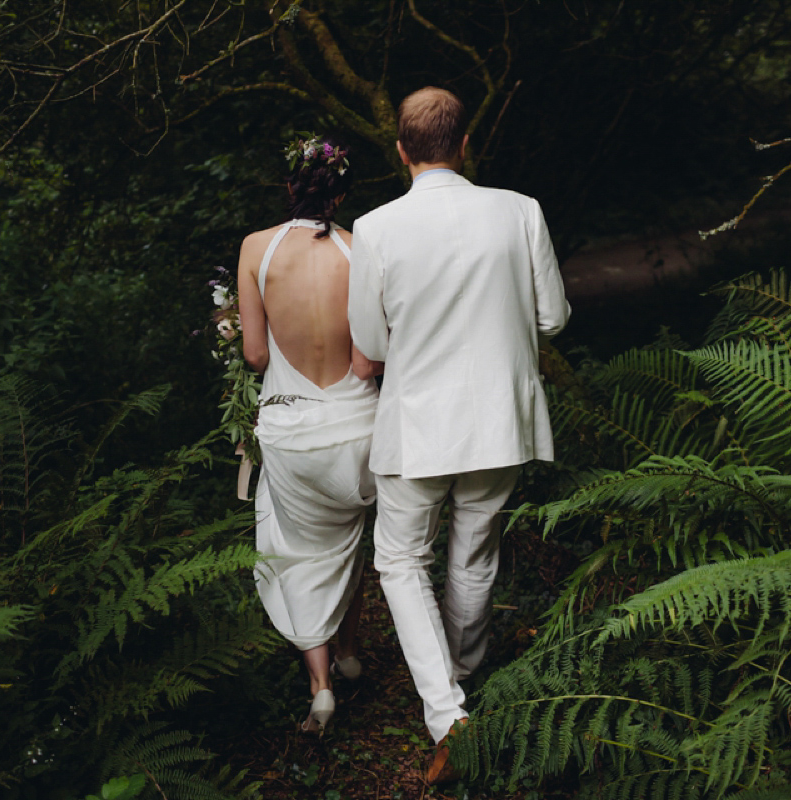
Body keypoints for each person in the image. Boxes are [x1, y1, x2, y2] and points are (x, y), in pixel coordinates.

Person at [347, 88, 571, 782]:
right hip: (500, 417)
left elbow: (369, 339)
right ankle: (461, 675)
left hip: (417, 422)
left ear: (402, 151)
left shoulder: (376, 227)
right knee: (474, 553)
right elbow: (554, 317)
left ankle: (449, 713)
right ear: (464, 144)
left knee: (400, 561)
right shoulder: (519, 210)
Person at [238, 135, 383, 733]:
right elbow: (368, 363)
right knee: (349, 544)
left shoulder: (255, 249)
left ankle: (320, 687)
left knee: (299, 553)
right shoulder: (361, 250)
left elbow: (252, 355)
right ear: (342, 193)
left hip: (290, 431)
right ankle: (350, 654)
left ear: (289, 188)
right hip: (358, 431)